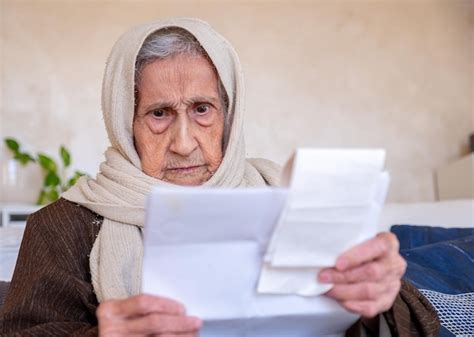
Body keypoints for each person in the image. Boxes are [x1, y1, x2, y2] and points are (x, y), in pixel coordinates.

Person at [1, 18, 438, 336]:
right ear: (123, 121)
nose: (184, 143)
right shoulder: (64, 225)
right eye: (158, 114)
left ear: (230, 115)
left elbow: (414, 323)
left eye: (202, 109)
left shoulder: (289, 199)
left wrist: (379, 297)